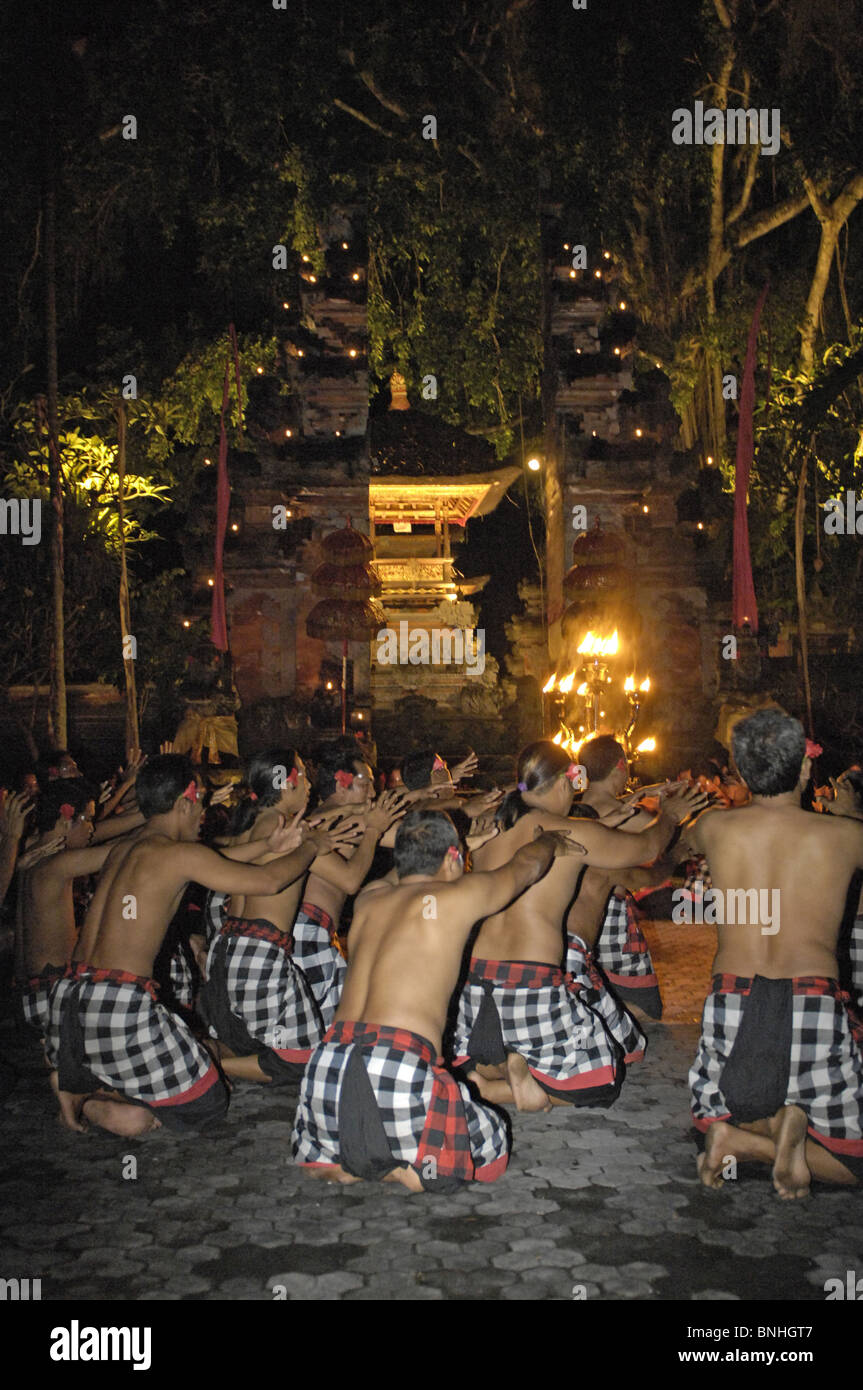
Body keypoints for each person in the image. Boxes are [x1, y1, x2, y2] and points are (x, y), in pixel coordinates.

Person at [44, 754, 340, 1136]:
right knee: (210, 1102)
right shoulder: (178, 854)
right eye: (200, 804)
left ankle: (85, 1082)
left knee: (143, 1116)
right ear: (184, 803)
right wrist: (311, 846)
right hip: (120, 1008)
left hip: (73, 1002)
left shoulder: (127, 849)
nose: (203, 814)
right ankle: (92, 1093)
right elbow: (268, 881)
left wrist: (269, 842)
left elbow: (223, 859)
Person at [292, 809, 581, 1191]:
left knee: (333, 1151)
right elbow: (525, 867)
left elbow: (405, 871)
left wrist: (449, 852)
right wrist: (548, 840)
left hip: (328, 1068)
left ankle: (353, 1158)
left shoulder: (369, 899)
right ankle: (406, 1169)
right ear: (452, 858)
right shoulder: (456, 896)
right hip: (397, 1065)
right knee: (490, 1150)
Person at [452, 741, 705, 1112]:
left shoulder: (491, 834)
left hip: (477, 986)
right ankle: (501, 1089)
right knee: (604, 1080)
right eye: (572, 782)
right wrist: (669, 815)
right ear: (560, 783)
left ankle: (495, 1070)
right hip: (530, 983)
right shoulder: (566, 832)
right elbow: (647, 847)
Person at [688, 709, 863, 1197]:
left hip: (733, 997)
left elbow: (666, 844)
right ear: (805, 768)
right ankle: (781, 1137)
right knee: (852, 1165)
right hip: (813, 997)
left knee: (717, 1116)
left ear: (741, 774)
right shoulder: (848, 836)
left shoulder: (712, 828)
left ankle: (741, 1137)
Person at [198, 749, 362, 1084]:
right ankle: (204, 1060)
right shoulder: (284, 828)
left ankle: (206, 1057)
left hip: (228, 948)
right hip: (258, 952)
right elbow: (350, 879)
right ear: (287, 782)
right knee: (302, 1059)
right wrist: (372, 834)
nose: (308, 783)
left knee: (250, 1043)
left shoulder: (251, 824)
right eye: (302, 775)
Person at [297, 745, 406, 1025]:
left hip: (317, 931)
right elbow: (350, 881)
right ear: (341, 783)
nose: (372, 793)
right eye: (366, 785)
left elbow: (402, 835)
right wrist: (374, 829)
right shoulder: (332, 819)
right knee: (337, 1026)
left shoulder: (331, 816)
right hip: (308, 932)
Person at [15, 781, 120, 1046]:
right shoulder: (56, 864)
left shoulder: (35, 857)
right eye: (87, 820)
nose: (91, 829)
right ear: (65, 820)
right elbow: (121, 853)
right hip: (51, 993)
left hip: (42, 990)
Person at [578, 736, 665, 1019]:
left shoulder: (573, 810)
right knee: (646, 1007)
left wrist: (637, 796)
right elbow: (660, 838)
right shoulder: (626, 816)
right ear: (620, 766)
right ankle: (595, 1014)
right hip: (609, 917)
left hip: (576, 915)